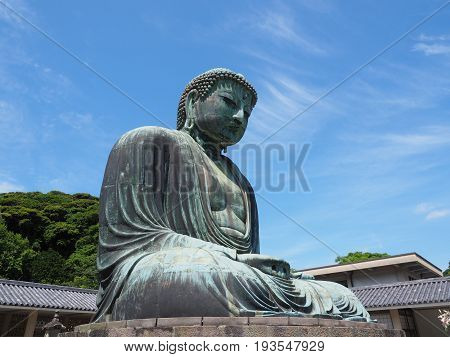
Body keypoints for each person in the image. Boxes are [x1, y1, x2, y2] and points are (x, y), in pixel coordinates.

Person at [94, 68, 371, 322]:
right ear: (193, 103)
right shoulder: (148, 141)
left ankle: (274, 304)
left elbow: (252, 256)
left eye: (247, 113)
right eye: (229, 103)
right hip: (162, 270)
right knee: (214, 276)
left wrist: (257, 267)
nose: (240, 117)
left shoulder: (242, 182)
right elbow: (132, 240)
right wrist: (232, 258)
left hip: (237, 274)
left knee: (339, 294)